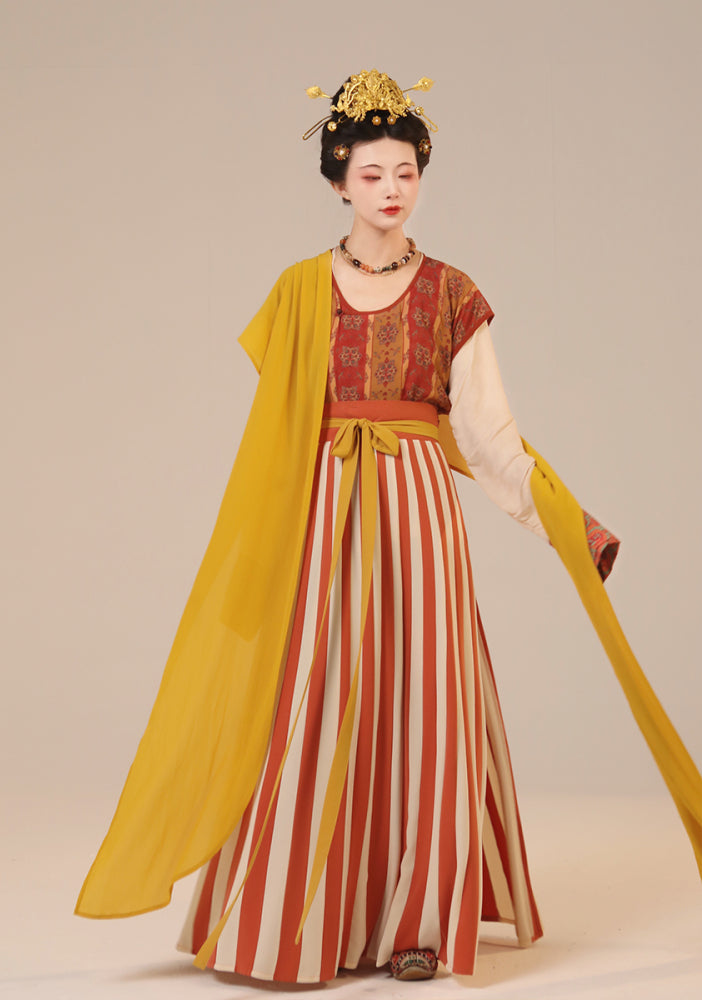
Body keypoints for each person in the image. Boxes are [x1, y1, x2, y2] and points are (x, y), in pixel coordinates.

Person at [75, 69, 702, 985]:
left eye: (406, 171)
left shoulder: (452, 293)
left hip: (420, 524)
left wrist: (572, 524)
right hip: (323, 519)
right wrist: (258, 555)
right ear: (338, 181)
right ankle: (295, 925)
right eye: (371, 173)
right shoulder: (298, 291)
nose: (391, 189)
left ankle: (418, 930)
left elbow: (489, 439)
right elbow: (272, 440)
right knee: (312, 710)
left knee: (427, 712)